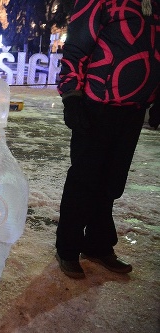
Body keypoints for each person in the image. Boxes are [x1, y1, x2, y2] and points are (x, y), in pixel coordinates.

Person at [56, 0, 160, 279]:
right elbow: (76, 49)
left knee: (112, 182)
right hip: (97, 105)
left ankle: (98, 245)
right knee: (84, 180)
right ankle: (67, 249)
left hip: (134, 109)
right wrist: (71, 97)